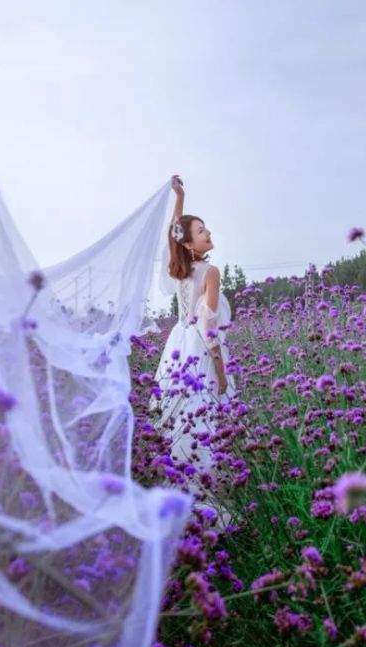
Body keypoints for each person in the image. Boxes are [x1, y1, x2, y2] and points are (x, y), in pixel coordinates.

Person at [150, 174, 236, 526]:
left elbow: (173, 232)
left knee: (183, 421)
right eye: (202, 231)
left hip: (177, 350)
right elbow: (209, 324)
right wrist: (220, 372)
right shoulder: (211, 272)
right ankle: (211, 505)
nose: (208, 234)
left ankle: (183, 497)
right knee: (206, 420)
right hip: (200, 349)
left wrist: (180, 200)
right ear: (190, 244)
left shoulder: (179, 272)